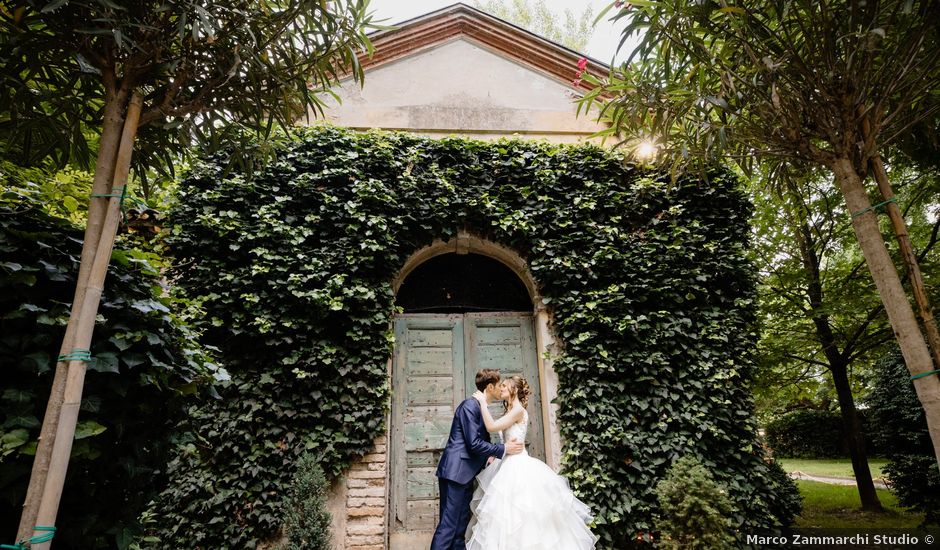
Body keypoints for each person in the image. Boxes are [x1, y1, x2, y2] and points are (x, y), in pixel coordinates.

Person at [465, 375, 598, 550]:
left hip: (518, 467)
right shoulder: (510, 410)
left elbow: (491, 427)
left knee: (523, 516)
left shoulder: (518, 410)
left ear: (515, 390)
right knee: (505, 519)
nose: (501, 388)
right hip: (505, 465)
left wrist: (482, 402)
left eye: (505, 386)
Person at [431, 369, 525, 550]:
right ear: (490, 387)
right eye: (499, 386)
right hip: (455, 474)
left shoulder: (480, 408)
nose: (501, 389)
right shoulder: (470, 406)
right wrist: (503, 448)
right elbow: (473, 443)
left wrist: (489, 456)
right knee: (448, 528)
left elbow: (479, 441)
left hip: (465, 475)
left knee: (459, 531)